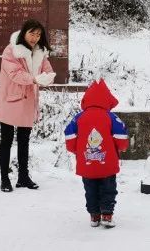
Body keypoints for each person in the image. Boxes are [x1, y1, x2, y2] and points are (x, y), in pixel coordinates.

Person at [0, 19, 56, 193]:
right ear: (24, 33)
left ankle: (23, 177)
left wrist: (48, 78)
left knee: (24, 140)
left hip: (28, 100)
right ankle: (4, 179)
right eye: (32, 33)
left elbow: (48, 71)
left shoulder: (40, 53)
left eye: (38, 34)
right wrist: (35, 79)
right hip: (10, 99)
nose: (35, 38)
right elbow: (14, 73)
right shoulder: (11, 50)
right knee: (6, 140)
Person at [64, 79, 129, 229]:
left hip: (87, 164)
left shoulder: (78, 118)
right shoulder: (111, 117)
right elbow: (121, 136)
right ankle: (107, 214)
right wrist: (121, 148)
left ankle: (94, 215)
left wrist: (77, 150)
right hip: (107, 164)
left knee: (90, 190)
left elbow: (69, 135)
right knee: (108, 189)